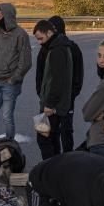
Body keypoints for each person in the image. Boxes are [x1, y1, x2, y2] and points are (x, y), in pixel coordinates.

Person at [0, 3, 32, 141]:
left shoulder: (21, 35)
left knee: (7, 116)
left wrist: (14, 79)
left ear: (7, 17)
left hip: (10, 83)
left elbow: (26, 61)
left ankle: (9, 144)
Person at [32, 20, 74, 160]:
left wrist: (49, 104)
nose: (39, 42)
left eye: (41, 38)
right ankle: (56, 169)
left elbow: (58, 80)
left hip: (52, 105)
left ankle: (49, 170)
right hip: (54, 104)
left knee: (44, 138)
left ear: (49, 33)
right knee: (52, 138)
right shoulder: (58, 47)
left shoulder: (57, 50)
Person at [48, 16, 84, 154]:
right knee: (52, 130)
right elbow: (42, 74)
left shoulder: (73, 48)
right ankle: (55, 158)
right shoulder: (48, 47)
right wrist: (41, 92)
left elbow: (78, 74)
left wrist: (73, 93)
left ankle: (68, 157)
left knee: (66, 129)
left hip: (68, 98)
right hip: (51, 97)